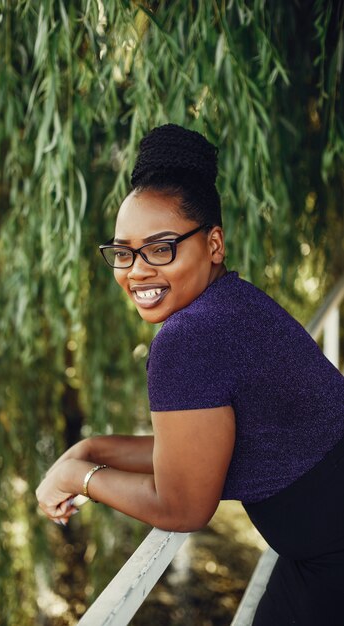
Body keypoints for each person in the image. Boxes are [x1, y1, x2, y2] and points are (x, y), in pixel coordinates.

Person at [36, 124, 344, 625]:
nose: (135, 270)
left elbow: (183, 505)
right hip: (320, 549)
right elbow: (191, 451)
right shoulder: (235, 303)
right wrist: (91, 449)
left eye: (161, 248)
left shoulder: (189, 338)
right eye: (123, 252)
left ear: (214, 243)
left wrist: (81, 478)